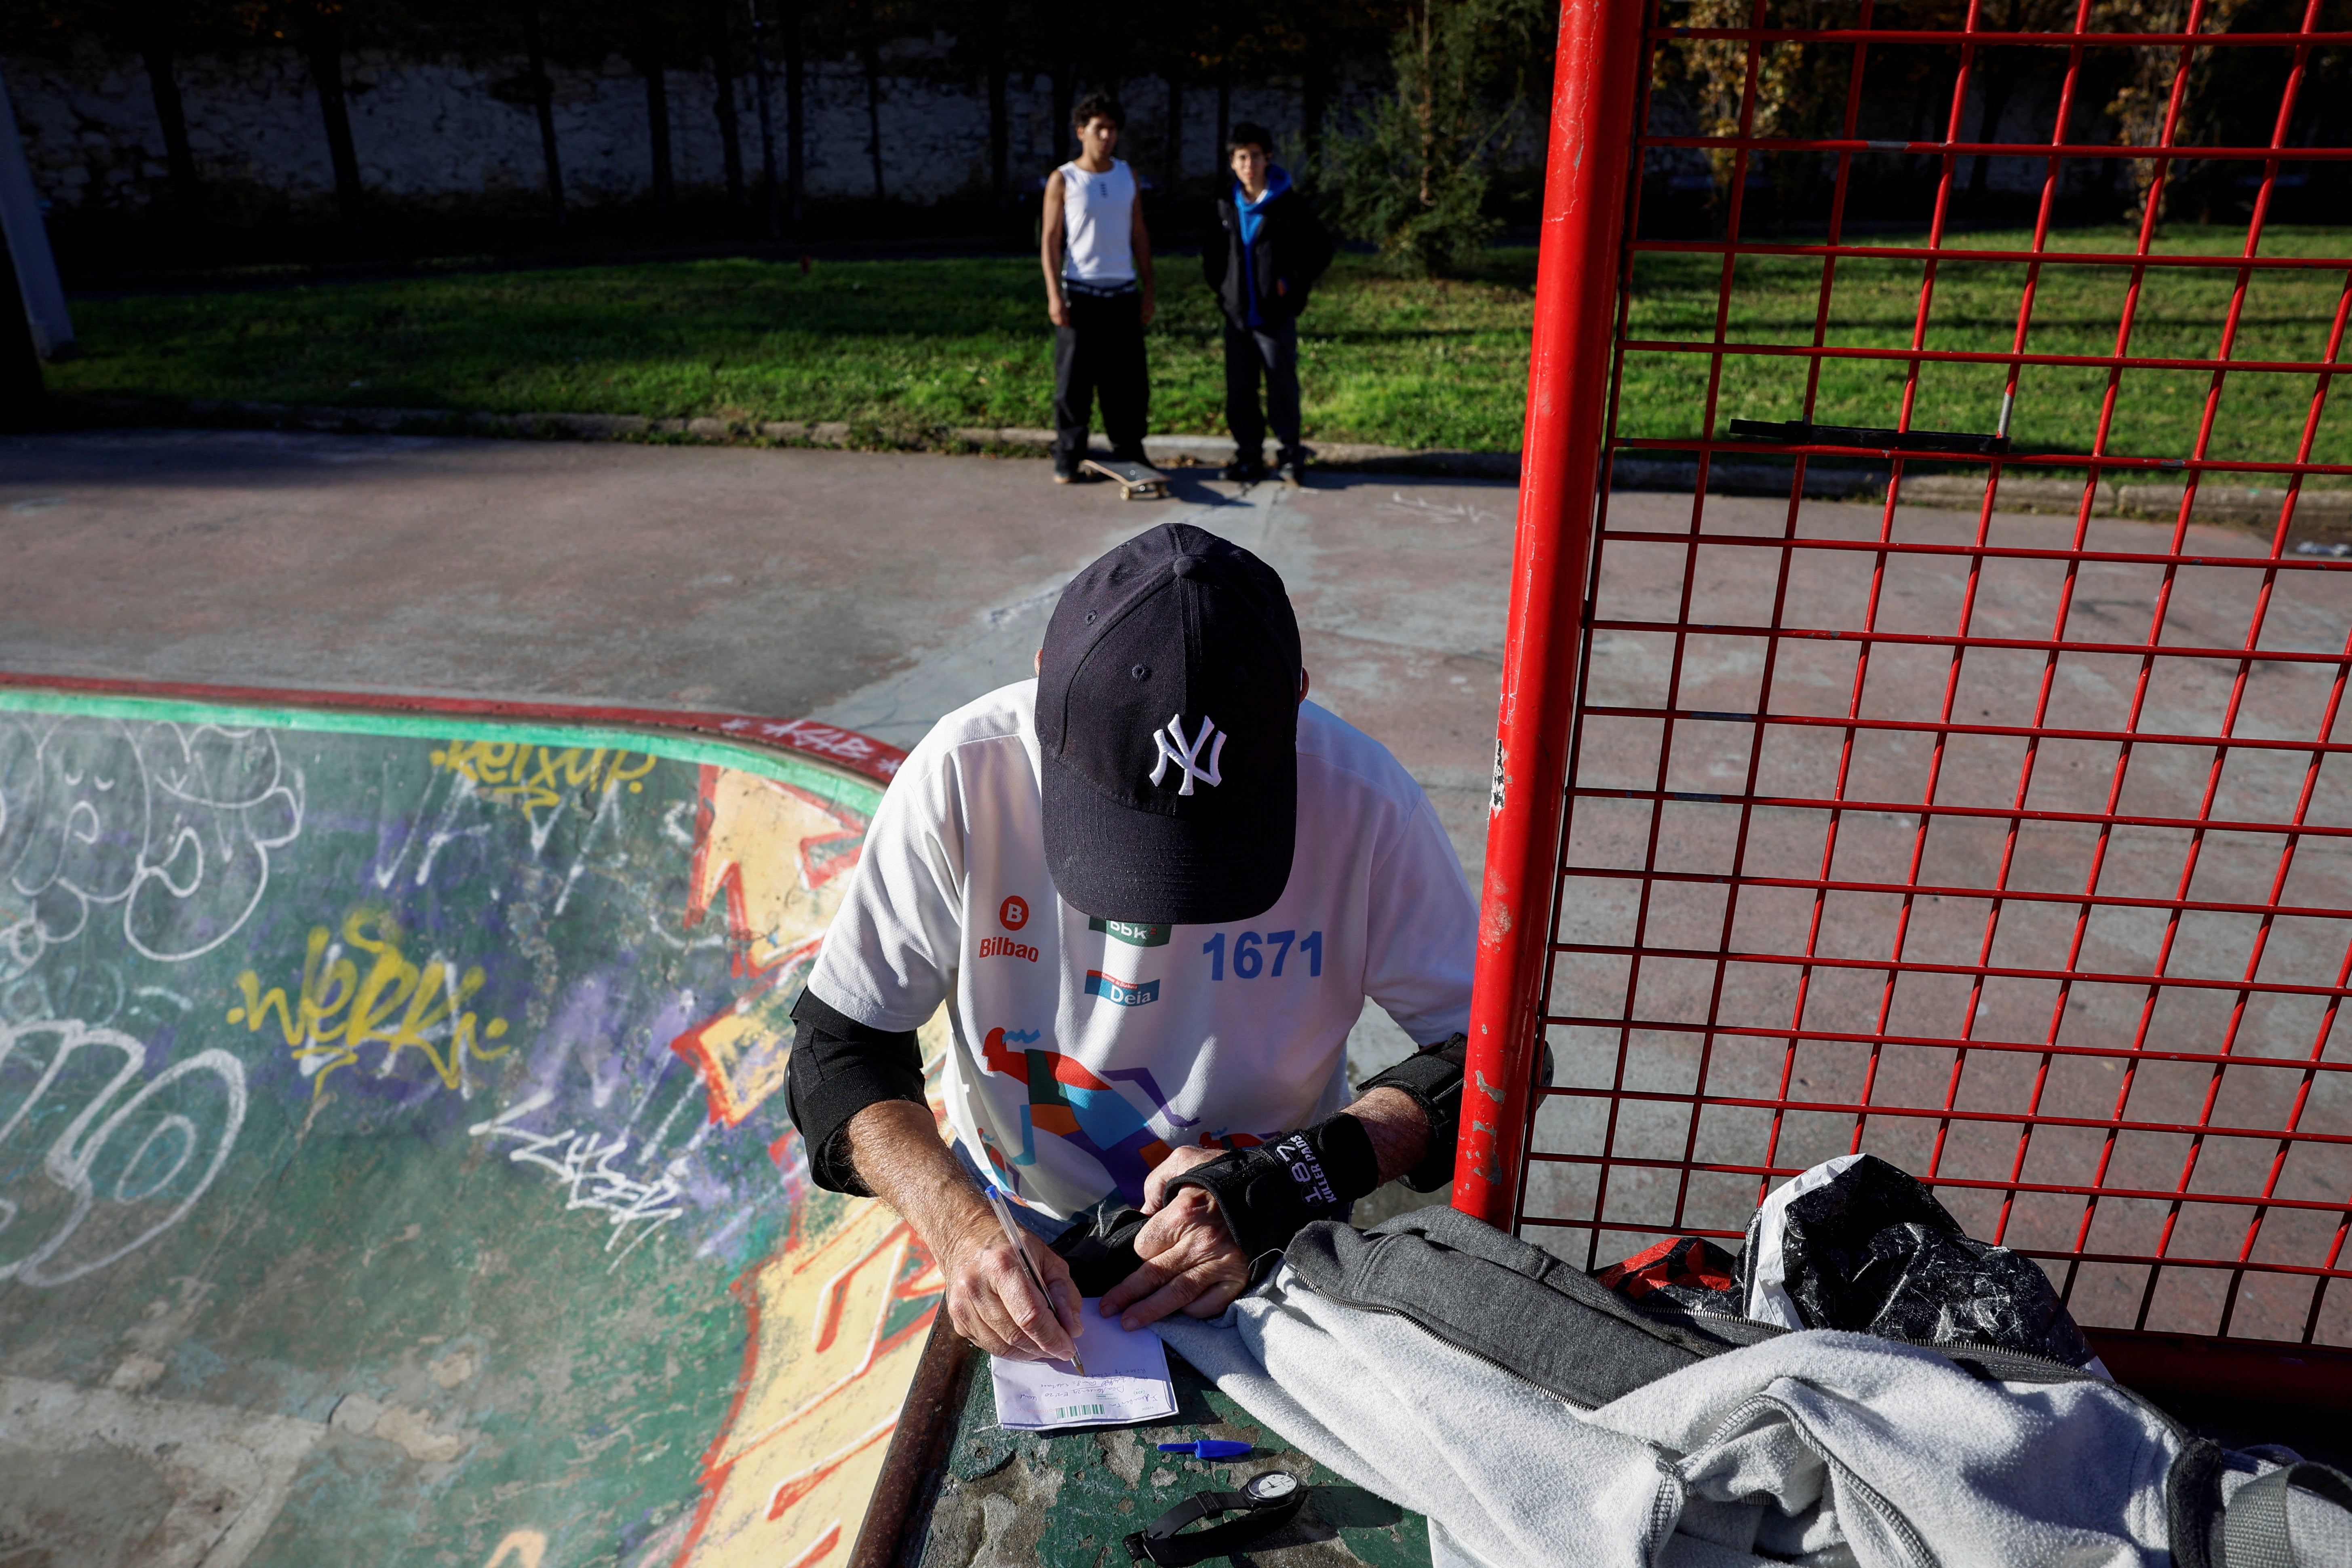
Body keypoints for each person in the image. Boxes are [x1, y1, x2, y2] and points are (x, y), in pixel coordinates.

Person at [784, 522, 1478, 1363]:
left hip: (1275, 1230)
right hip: (1018, 1235)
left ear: (1297, 698)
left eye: (1215, 846)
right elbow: (840, 1051)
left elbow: (1489, 1054)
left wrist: (1289, 1178)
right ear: (1045, 681)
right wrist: (960, 1226)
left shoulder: (1366, 801)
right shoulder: (963, 774)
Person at [1203, 122, 1333, 487]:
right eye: (1242, 157)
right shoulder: (1225, 205)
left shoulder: (1288, 203)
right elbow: (1211, 257)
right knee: (1240, 389)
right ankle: (1249, 455)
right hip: (1237, 317)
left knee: (1282, 386)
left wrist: (1289, 283)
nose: (1250, 165)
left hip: (1274, 316)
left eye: (1256, 156)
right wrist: (1224, 291)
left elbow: (1321, 250)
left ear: (1268, 158)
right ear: (1232, 162)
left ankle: (1290, 452)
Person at [1040, 93, 1155, 485]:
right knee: (1073, 382)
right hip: (1080, 294)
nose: (1106, 137)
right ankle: (1069, 454)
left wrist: (1149, 287)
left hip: (1122, 293)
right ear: (1081, 132)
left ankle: (1130, 449)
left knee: (1126, 381)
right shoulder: (1064, 179)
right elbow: (1051, 239)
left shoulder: (1127, 175)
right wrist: (1055, 295)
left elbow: (1139, 233)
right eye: (1098, 129)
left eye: (1112, 129)